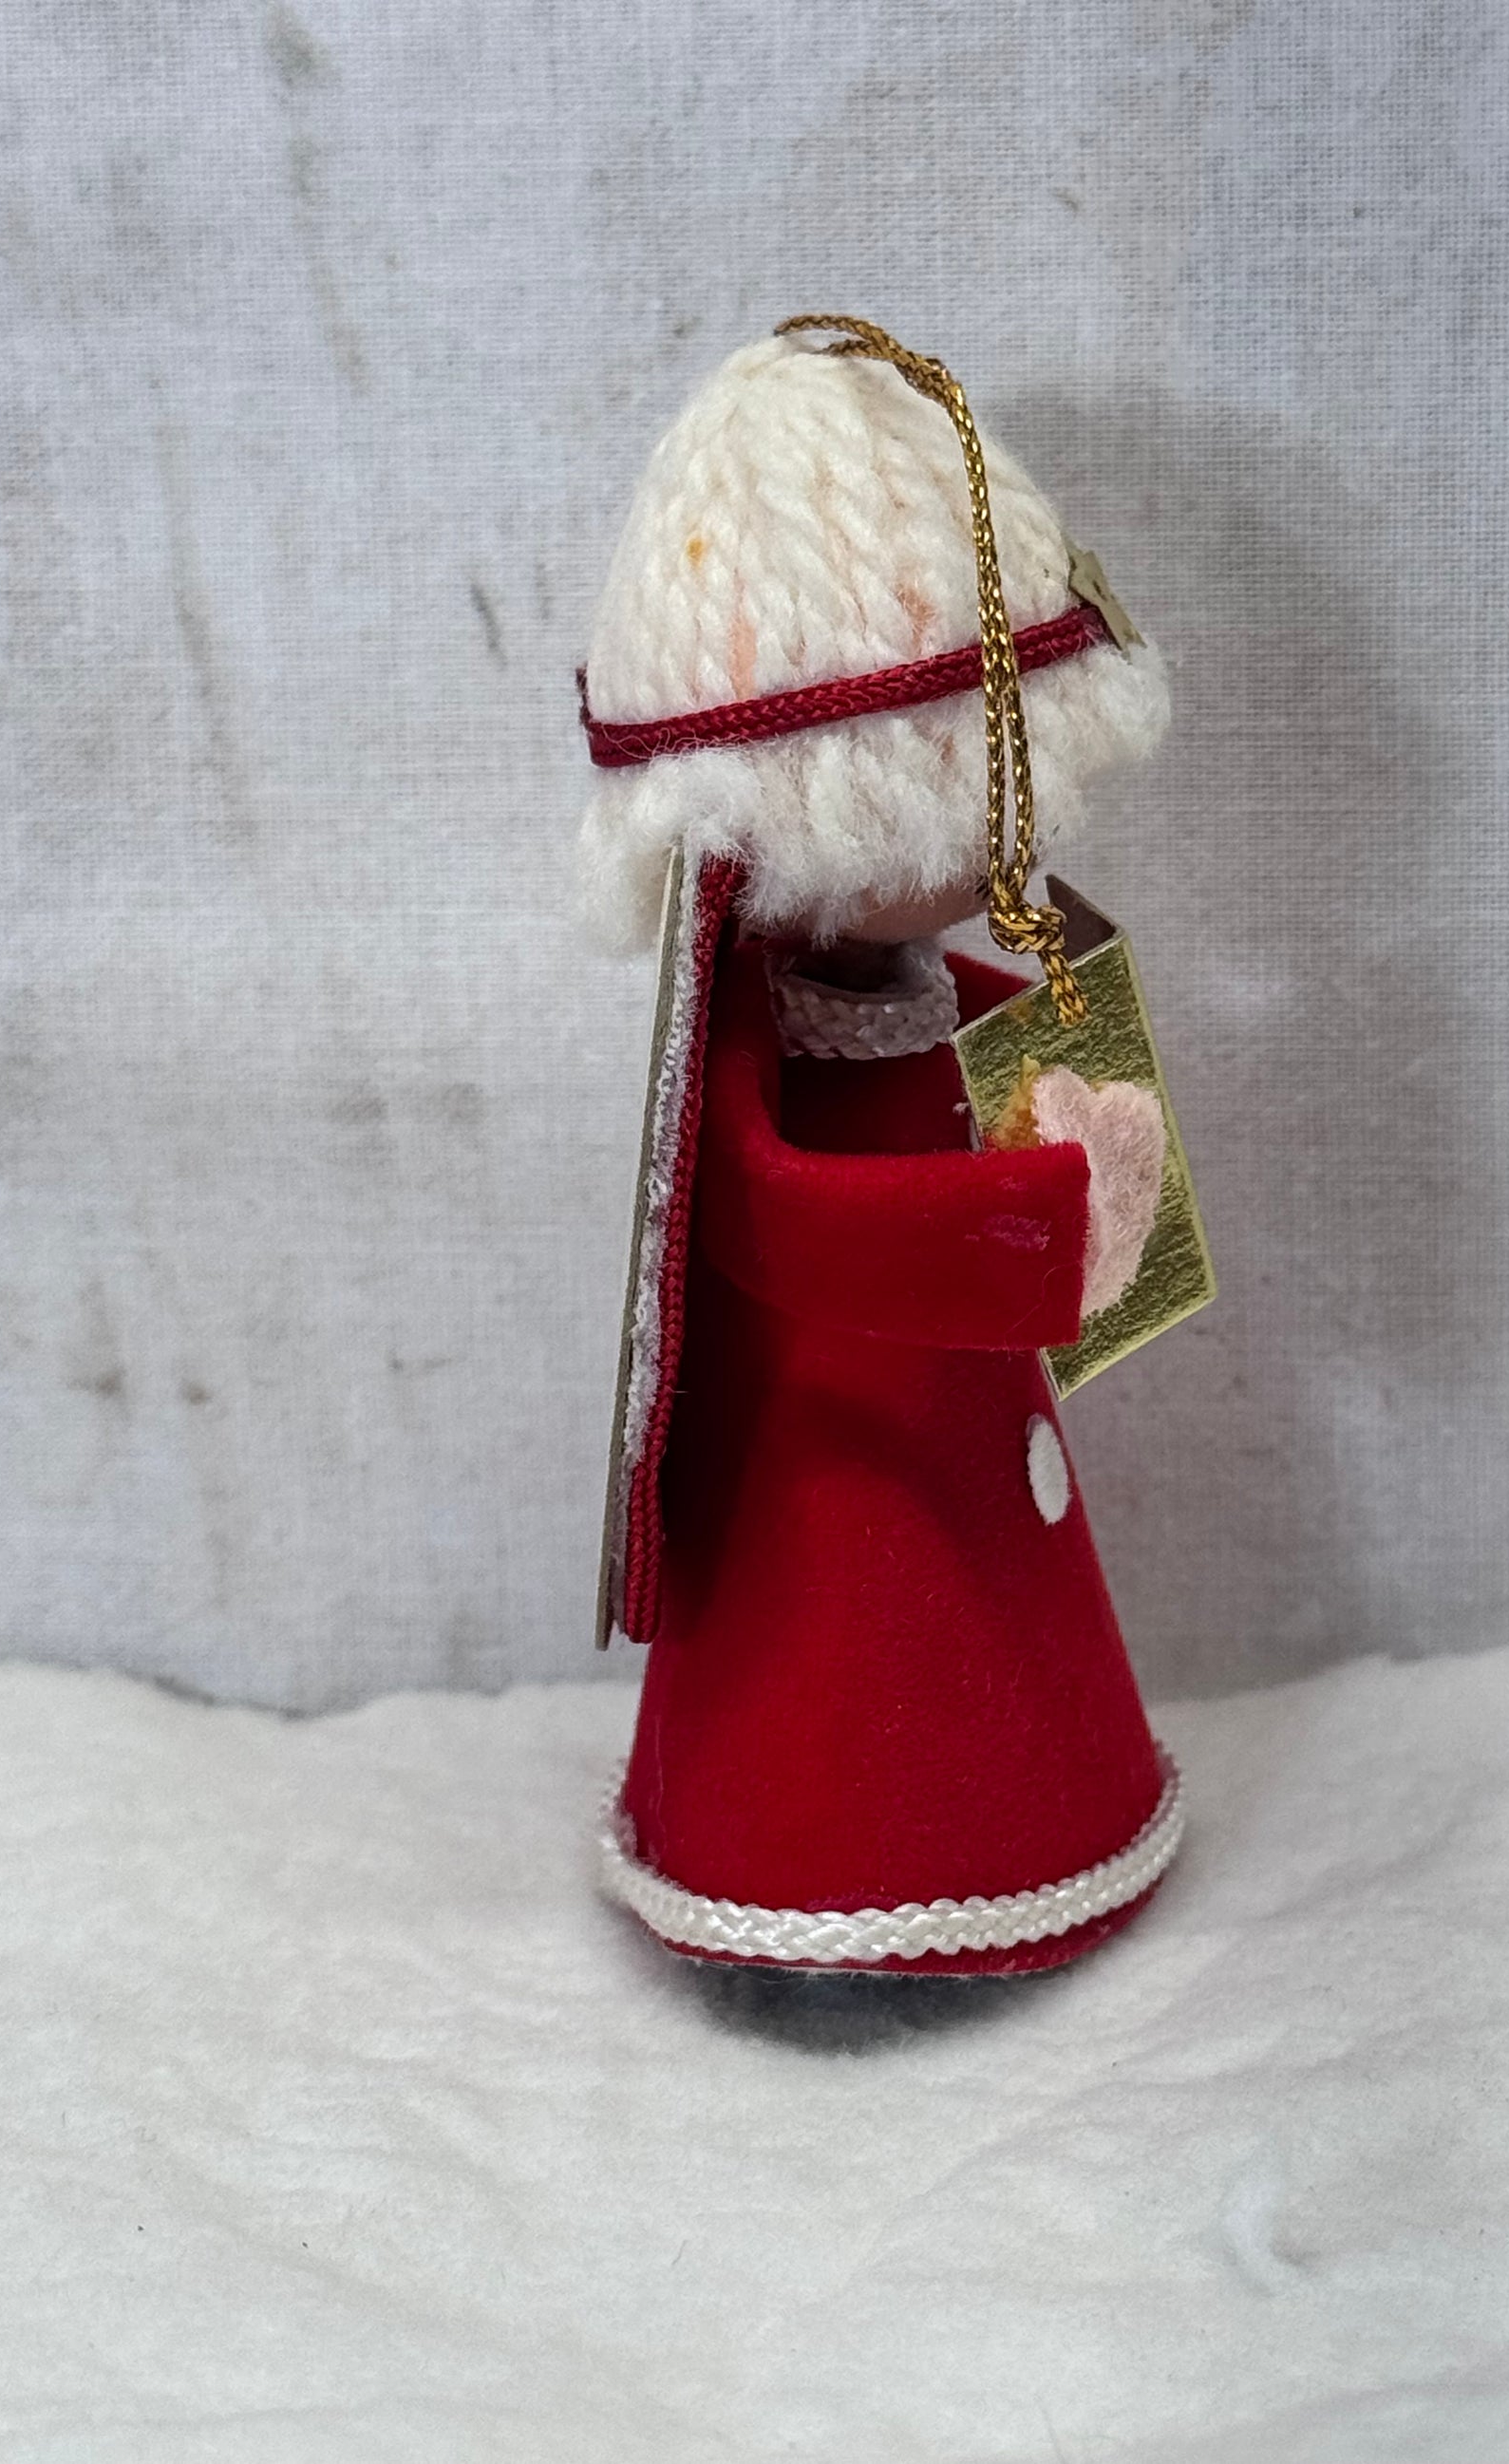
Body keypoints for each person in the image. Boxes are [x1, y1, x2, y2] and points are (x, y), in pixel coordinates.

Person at [578, 326, 1182, 1973]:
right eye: (970, 807)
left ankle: (1045, 1825)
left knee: (990, 1603)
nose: (1007, 856)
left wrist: (1065, 1083)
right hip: (827, 1431)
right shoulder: (738, 1042)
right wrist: (1027, 1221)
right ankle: (811, 1875)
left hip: (959, 1419)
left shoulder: (906, 984)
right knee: (851, 1644)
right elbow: (775, 1209)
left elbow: (964, 1011)